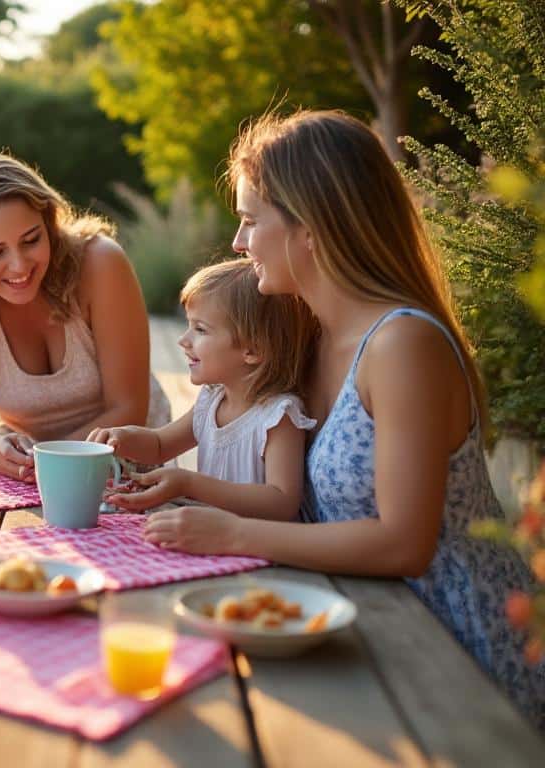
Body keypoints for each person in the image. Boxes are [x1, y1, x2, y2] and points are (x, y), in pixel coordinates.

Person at [140, 109, 544, 727]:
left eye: (251, 221)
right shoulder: (308, 336)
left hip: (459, 661)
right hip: (352, 630)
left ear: (313, 228)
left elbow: (403, 543)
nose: (237, 243)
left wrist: (229, 532)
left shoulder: (402, 346)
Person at [0, 153, 169, 483]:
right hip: (31, 472)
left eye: (31, 240)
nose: (18, 266)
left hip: (129, 464)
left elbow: (128, 409)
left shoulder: (100, 263)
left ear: (49, 222)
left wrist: (46, 460)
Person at [91, 258, 318, 520]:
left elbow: (281, 502)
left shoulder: (278, 417)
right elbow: (160, 445)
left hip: (258, 549)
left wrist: (191, 485)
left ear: (253, 349)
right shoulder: (212, 400)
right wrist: (122, 438)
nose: (183, 340)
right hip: (209, 538)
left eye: (200, 329)